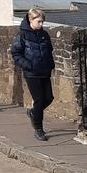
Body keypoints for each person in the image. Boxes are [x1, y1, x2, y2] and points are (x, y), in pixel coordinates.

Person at [12, 7, 55, 140]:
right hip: (32, 73)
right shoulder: (22, 35)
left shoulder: (44, 34)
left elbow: (49, 50)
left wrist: (50, 65)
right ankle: (39, 129)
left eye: (42, 22)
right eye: (39, 21)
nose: (41, 24)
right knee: (39, 100)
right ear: (31, 20)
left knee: (49, 98)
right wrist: (28, 66)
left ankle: (33, 113)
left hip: (44, 71)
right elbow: (15, 53)